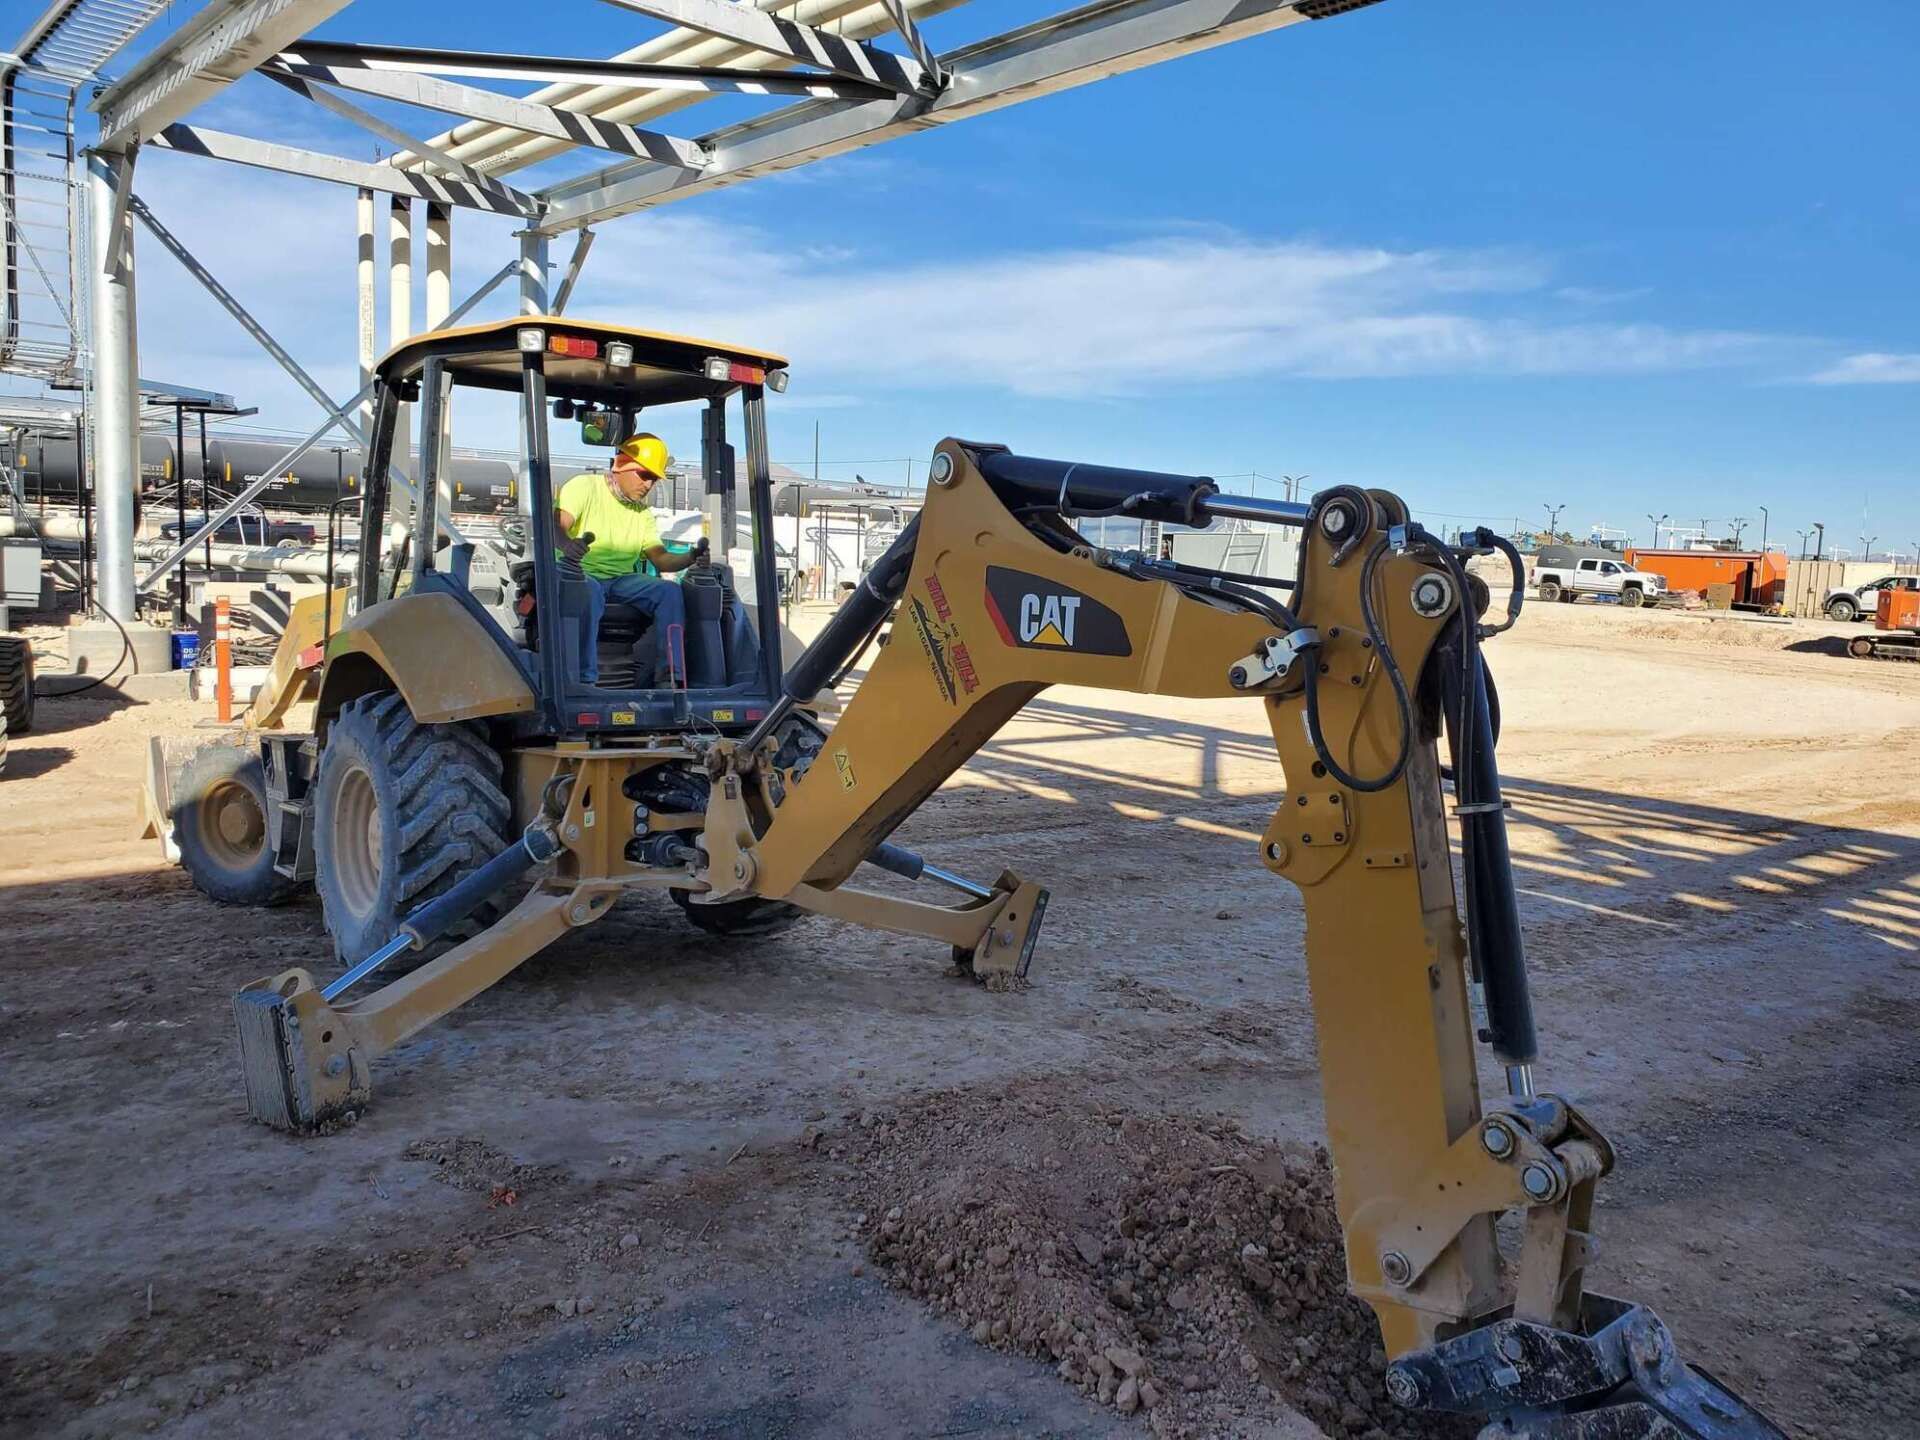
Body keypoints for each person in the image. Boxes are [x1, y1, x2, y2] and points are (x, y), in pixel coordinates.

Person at [553, 433, 707, 686]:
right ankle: (582, 681)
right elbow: (558, 526)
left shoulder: (642, 513)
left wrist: (692, 556)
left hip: (621, 580)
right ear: (621, 465)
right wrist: (569, 546)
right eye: (644, 475)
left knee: (669, 592)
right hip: (578, 573)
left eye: (654, 479)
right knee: (589, 591)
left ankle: (670, 676)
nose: (648, 485)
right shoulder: (584, 487)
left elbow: (661, 560)